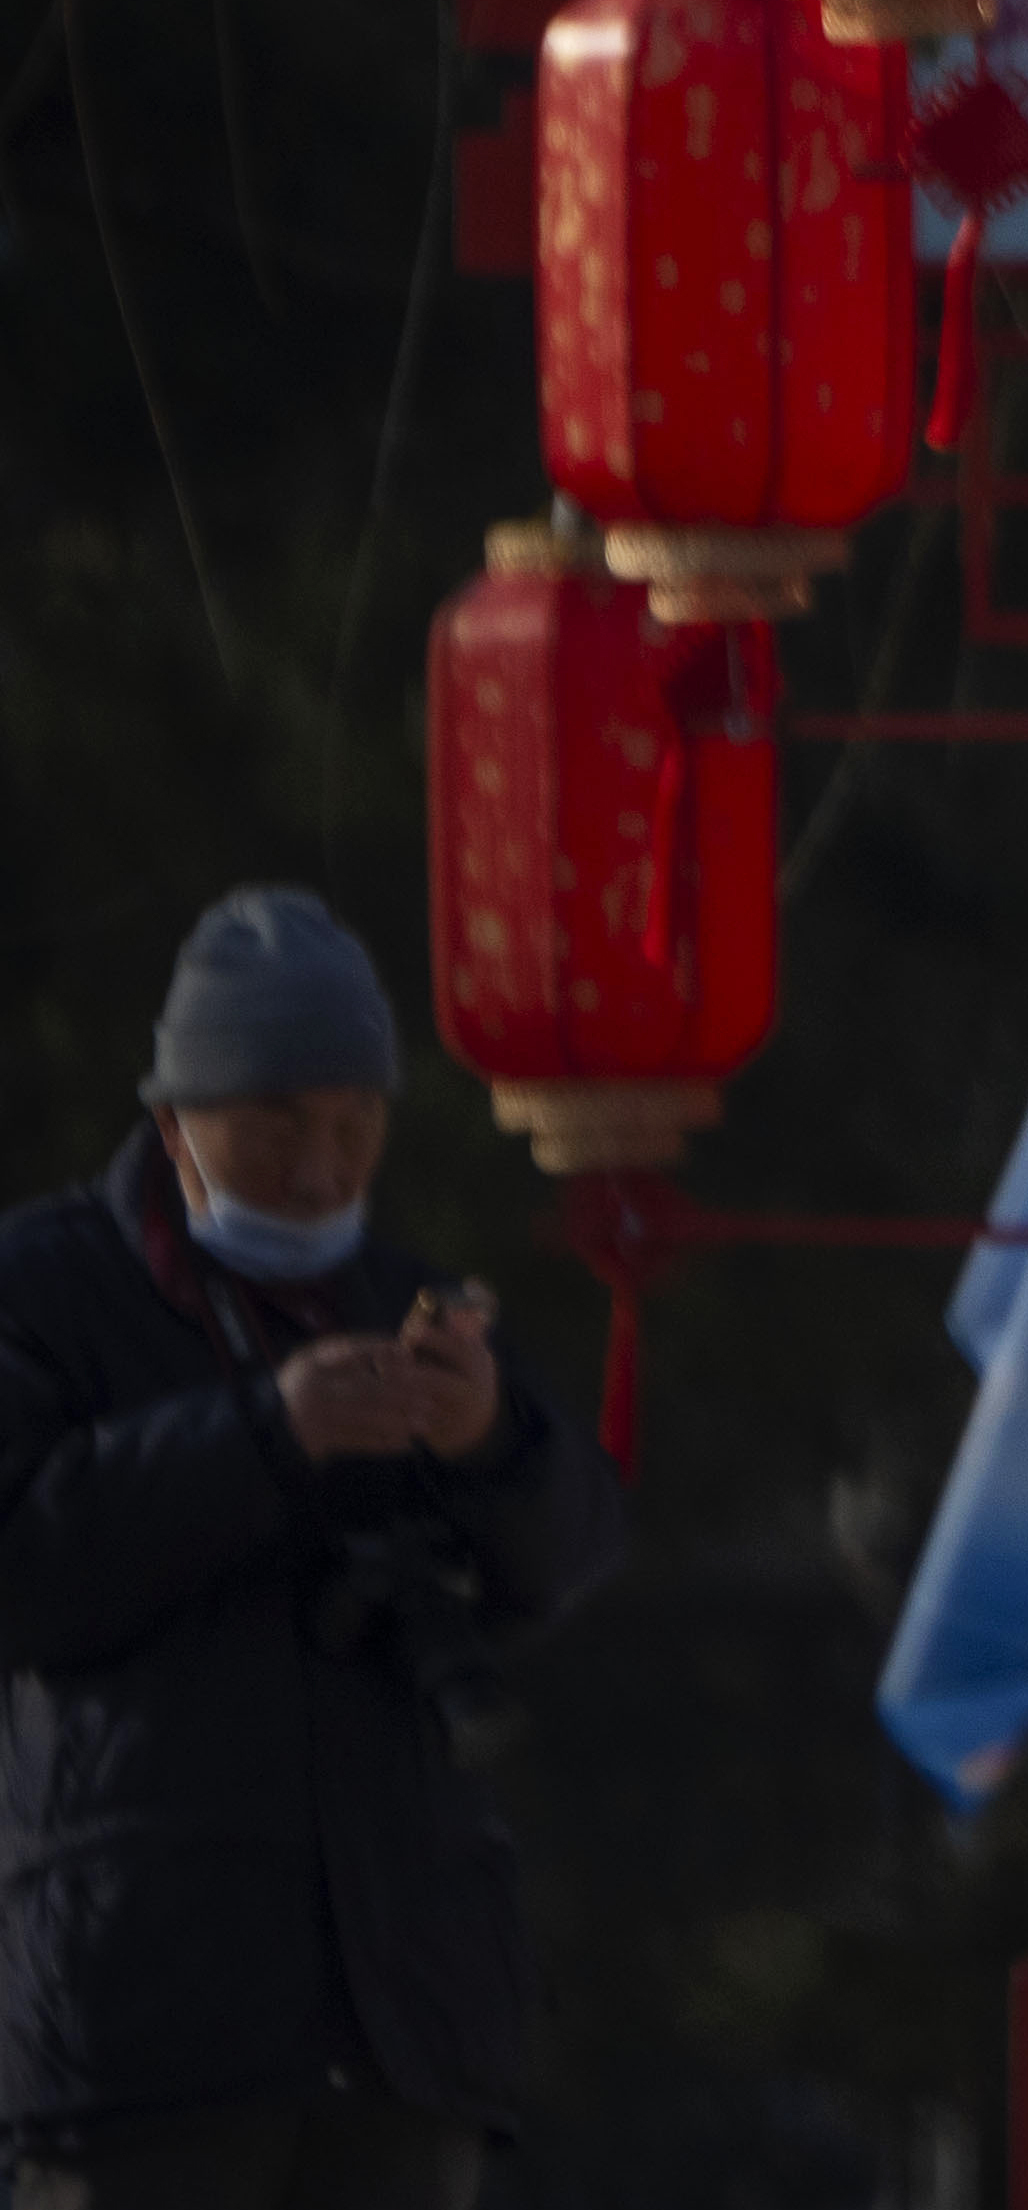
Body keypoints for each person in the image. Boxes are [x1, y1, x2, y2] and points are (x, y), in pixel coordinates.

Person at [0, 889, 626, 2210]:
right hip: (145, 2026)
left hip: (401, 2022)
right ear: (174, 1121)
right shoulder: (46, 1287)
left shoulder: (406, 1299)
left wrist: (490, 1437)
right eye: (275, 1122)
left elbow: (568, 1558)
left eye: (353, 1124)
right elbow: (29, 1564)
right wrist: (265, 1435)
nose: (319, 1166)